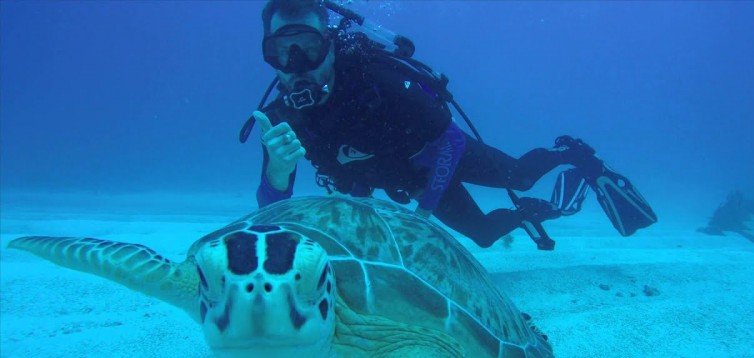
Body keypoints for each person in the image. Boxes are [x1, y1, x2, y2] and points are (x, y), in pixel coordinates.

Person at [250, 0, 656, 248]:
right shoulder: (283, 121)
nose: (296, 64)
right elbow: (273, 213)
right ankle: (536, 212)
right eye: (280, 50)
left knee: (519, 176)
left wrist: (425, 212)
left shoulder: (382, 82)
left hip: (445, 155)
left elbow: (450, 141)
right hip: (410, 180)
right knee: (482, 234)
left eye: (308, 45)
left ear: (331, 44)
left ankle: (574, 153)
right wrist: (277, 171)